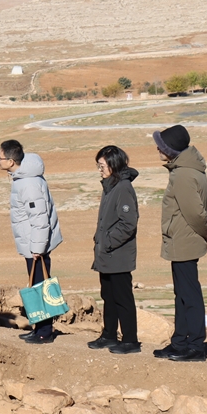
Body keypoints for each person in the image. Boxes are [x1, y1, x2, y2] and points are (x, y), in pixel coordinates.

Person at [155, 125, 207, 362]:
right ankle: (180, 342)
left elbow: (194, 212)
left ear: (170, 149)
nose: (158, 149)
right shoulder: (191, 169)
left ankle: (195, 345)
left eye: (161, 145)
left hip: (184, 239)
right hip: (182, 239)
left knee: (189, 295)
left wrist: (206, 230)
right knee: (182, 293)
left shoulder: (182, 174)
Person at [0, 139, 63, 344]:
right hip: (32, 243)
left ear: (10, 161)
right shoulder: (23, 179)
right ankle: (38, 328)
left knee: (40, 286)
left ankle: (45, 331)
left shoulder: (28, 184)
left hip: (36, 245)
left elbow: (39, 218)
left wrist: (37, 247)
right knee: (37, 285)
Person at [88, 145, 140, 354]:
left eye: (102, 165)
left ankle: (130, 340)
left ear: (113, 164)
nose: (100, 169)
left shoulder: (123, 188)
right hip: (107, 254)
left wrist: (107, 241)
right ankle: (109, 334)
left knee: (123, 298)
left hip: (118, 254)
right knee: (108, 296)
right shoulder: (110, 187)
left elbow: (128, 223)